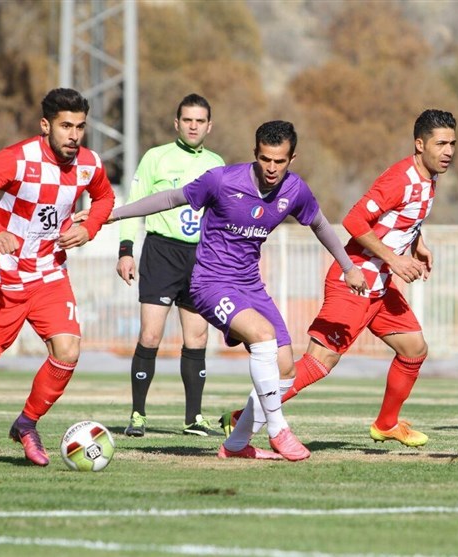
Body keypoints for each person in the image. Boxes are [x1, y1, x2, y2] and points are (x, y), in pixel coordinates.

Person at [108, 120, 367, 461]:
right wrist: (112, 215)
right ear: (255, 153)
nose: (271, 168)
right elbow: (172, 198)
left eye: (279, 161)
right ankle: (279, 430)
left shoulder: (295, 190)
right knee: (262, 336)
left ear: (292, 158)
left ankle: (236, 444)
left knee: (286, 367)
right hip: (210, 283)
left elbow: (318, 223)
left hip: (249, 285)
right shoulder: (222, 180)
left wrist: (348, 266)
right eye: (264, 159)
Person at [223, 109, 457, 449]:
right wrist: (394, 258)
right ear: (419, 145)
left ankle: (387, 424)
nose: (448, 150)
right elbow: (354, 221)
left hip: (381, 286)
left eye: (452, 143)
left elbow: (401, 219)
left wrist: (418, 244)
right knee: (319, 363)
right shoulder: (399, 179)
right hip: (355, 282)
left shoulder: (429, 177)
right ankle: (240, 419)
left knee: (414, 349)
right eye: (441, 143)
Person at [0, 88, 115, 466]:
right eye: (65, 126)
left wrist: (89, 227)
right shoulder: (17, 159)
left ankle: (26, 424)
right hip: (2, 279)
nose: (74, 135)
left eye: (80, 127)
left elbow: (105, 199)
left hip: (49, 274)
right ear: (46, 126)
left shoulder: (89, 164)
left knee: (68, 350)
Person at [117, 94, 225, 437]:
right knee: (151, 334)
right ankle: (138, 415)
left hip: (201, 258)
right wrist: (125, 249)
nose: (194, 126)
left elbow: (222, 215)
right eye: (187, 120)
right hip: (161, 252)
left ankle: (193, 418)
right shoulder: (156, 157)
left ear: (210, 126)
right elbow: (134, 205)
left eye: (200, 121)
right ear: (176, 123)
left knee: (198, 336)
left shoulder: (217, 162)